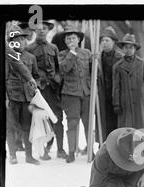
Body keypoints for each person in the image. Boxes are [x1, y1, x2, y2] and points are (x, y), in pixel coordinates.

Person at [26, 20, 67, 160]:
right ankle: (43, 151)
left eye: (44, 28)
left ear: (48, 31)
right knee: (40, 119)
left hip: (53, 90)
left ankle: (60, 149)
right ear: (34, 31)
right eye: (38, 28)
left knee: (57, 118)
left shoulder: (54, 48)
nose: (41, 30)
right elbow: (27, 70)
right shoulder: (29, 48)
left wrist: (57, 79)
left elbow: (57, 68)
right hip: (38, 91)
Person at [5, 25, 40, 165]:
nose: (20, 42)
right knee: (11, 127)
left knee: (27, 127)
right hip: (12, 97)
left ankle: (29, 156)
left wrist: (34, 88)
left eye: (22, 39)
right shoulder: (7, 56)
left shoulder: (31, 57)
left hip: (27, 98)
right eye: (16, 39)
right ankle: (12, 155)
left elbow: (36, 76)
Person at [58, 24, 92, 163]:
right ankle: (71, 151)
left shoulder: (87, 53)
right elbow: (64, 69)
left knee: (88, 123)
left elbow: (94, 71)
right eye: (68, 38)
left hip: (86, 92)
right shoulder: (62, 54)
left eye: (73, 38)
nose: (71, 40)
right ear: (65, 41)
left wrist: (96, 59)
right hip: (70, 94)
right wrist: (71, 53)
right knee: (72, 123)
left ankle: (91, 150)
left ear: (78, 39)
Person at [112, 34, 144, 133]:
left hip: (140, 100)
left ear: (135, 49)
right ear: (122, 49)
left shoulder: (142, 63)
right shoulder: (118, 66)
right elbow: (116, 86)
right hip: (125, 102)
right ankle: (128, 147)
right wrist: (116, 104)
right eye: (126, 47)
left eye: (131, 47)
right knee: (127, 129)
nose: (128, 50)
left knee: (143, 127)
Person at [97, 26, 124, 140]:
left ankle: (117, 145)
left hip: (118, 96)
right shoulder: (97, 58)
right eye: (102, 41)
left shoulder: (121, 57)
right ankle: (103, 144)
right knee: (104, 122)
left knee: (117, 123)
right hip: (103, 95)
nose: (104, 43)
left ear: (113, 42)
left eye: (107, 40)